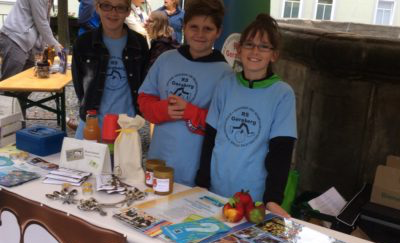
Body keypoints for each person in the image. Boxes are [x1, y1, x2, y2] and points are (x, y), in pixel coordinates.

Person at [195, 14, 297, 218]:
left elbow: (281, 152)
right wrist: (202, 183)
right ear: (239, 50)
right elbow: (210, 138)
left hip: (253, 200)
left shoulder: (282, 93)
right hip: (215, 191)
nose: (255, 51)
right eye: (249, 44)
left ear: (274, 55)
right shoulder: (225, 85)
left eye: (263, 46)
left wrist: (273, 199)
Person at [138, 0, 232, 187]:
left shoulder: (225, 73)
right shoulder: (166, 60)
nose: (199, 34)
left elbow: (225, 125)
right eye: (194, 27)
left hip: (196, 166)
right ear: (184, 27)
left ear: (218, 32)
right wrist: (162, 109)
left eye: (208, 29)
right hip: (159, 158)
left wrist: (191, 112)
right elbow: (144, 99)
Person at [72, 0, 149, 139]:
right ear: (97, 8)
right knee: (88, 161)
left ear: (128, 11)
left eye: (120, 7)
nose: (113, 13)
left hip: (126, 127)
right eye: (106, 5)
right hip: (91, 125)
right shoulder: (83, 43)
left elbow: (143, 83)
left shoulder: (139, 44)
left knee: (123, 161)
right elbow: (79, 86)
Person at [0, 0, 62, 81]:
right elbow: (42, 23)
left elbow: (42, 23)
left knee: (28, 81)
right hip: (15, 39)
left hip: (26, 43)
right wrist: (56, 46)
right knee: (10, 83)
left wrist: (42, 48)